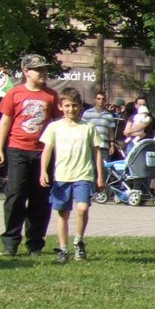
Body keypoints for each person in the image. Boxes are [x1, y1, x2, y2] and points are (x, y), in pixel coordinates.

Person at [0, 54, 61, 256]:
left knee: (40, 199)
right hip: (17, 150)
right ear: (26, 72)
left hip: (42, 153)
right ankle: (10, 242)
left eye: (44, 69)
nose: (43, 73)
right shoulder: (14, 93)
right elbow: (5, 122)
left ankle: (35, 244)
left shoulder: (51, 95)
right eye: (38, 69)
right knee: (15, 195)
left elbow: (58, 125)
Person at [38, 87, 104, 262]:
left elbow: (97, 151)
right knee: (63, 213)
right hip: (62, 176)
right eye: (67, 105)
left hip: (83, 175)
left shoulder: (88, 127)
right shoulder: (54, 127)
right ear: (61, 107)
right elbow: (47, 150)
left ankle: (79, 241)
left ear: (80, 106)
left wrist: (100, 175)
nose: (71, 109)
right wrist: (43, 171)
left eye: (74, 105)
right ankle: (63, 248)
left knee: (82, 208)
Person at [83, 91, 121, 160]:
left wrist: (112, 145)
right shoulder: (87, 113)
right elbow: (83, 129)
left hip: (104, 146)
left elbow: (111, 132)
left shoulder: (109, 115)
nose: (101, 101)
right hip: (90, 145)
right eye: (99, 99)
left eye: (103, 99)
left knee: (104, 166)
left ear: (105, 101)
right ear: (95, 100)